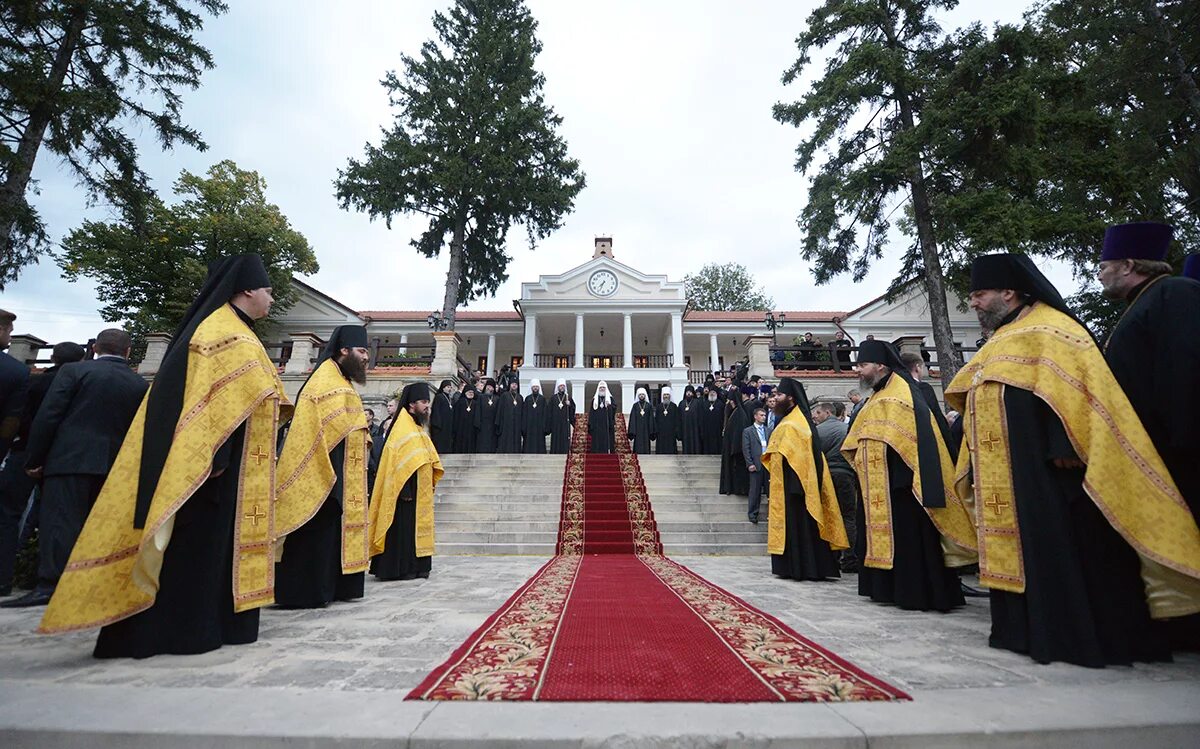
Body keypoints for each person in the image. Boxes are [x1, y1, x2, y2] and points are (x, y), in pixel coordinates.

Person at [945, 253, 1200, 667]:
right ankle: (1023, 630)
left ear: (1008, 292)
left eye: (979, 294)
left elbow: (1085, 395)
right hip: (1010, 473)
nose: (973, 303)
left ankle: (1069, 636)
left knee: (1061, 548)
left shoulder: (1054, 329)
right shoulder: (1004, 337)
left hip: (1051, 470)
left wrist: (1064, 442)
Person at [40, 254, 291, 658]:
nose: (270, 299)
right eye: (267, 290)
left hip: (231, 469)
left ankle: (212, 623)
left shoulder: (233, 331)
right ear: (246, 290)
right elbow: (215, 405)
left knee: (208, 548)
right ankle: (181, 630)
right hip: (211, 468)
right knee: (194, 547)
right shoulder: (223, 333)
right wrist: (217, 456)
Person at [1097, 222, 1200, 650]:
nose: (1098, 273)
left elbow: (1186, 367)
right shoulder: (1145, 301)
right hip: (1154, 448)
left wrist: (1184, 439)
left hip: (1180, 447)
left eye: (1104, 265)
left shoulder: (1176, 294)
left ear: (1129, 264)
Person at [1, 331, 145, 609]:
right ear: (128, 352)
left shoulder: (74, 372)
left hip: (70, 458)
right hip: (115, 464)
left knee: (59, 522)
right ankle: (89, 584)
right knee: (98, 526)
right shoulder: (138, 383)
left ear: (93, 348)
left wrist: (35, 458)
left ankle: (51, 586)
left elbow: (50, 415)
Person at [842, 340, 977, 612]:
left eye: (863, 365)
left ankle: (915, 592)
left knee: (912, 539)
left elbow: (915, 440)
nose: (859, 370)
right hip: (880, 485)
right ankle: (886, 589)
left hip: (904, 483)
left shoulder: (903, 393)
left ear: (880, 366)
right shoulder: (877, 396)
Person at [273, 325, 372, 609]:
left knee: (332, 528)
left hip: (342, 470)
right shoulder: (325, 381)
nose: (366, 358)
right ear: (344, 351)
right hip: (321, 469)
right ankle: (305, 590)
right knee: (316, 529)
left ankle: (334, 585)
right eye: (362, 351)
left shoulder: (341, 380)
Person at [0, 340, 85, 598]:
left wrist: (29, 455)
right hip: (68, 459)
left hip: (26, 454)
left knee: (9, 514)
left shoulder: (35, 382)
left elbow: (23, 418)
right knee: (60, 517)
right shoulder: (86, 382)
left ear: (54, 358)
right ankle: (50, 578)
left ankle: (4, 577)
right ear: (81, 359)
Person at [761, 377, 848, 581]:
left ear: (790, 398)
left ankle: (803, 567)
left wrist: (795, 487)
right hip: (790, 484)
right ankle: (794, 567)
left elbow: (800, 458)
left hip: (796, 486)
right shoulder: (793, 419)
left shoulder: (795, 424)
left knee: (801, 526)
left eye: (779, 395)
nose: (776, 398)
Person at [368, 382, 442, 581]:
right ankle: (400, 568)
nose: (427, 406)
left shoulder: (416, 426)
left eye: (428, 402)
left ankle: (418, 566)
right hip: (404, 491)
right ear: (411, 405)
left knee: (414, 529)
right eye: (423, 402)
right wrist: (405, 489)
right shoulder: (402, 425)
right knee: (402, 530)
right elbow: (398, 462)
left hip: (419, 489)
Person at [811, 402, 860, 573]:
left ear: (827, 413)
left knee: (828, 515)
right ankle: (850, 558)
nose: (815, 416)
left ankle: (831, 556)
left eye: (818, 413)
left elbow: (814, 455)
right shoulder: (846, 429)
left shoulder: (819, 431)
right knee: (848, 517)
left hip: (828, 476)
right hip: (846, 476)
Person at [719, 387, 754, 496]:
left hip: (736, 451)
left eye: (728, 401)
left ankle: (739, 489)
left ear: (733, 402)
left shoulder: (739, 414)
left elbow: (739, 433)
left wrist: (733, 448)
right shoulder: (734, 413)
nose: (727, 404)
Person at [742, 408, 769, 524]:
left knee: (770, 491)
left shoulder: (769, 431)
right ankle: (753, 513)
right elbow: (746, 448)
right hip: (756, 464)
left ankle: (771, 514)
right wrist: (750, 463)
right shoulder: (748, 431)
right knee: (755, 491)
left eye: (765, 415)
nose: (764, 417)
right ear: (755, 416)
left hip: (768, 464)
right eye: (761, 415)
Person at [495, 380, 524, 454]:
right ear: (510, 385)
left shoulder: (520, 397)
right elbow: (500, 410)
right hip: (506, 423)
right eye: (512, 384)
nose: (514, 386)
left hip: (517, 423)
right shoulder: (504, 395)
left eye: (515, 384)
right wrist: (498, 422)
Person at [521, 380, 549, 454]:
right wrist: (524, 427)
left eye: (537, 387)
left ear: (539, 388)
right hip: (529, 426)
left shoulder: (542, 399)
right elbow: (524, 413)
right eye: (534, 387)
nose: (535, 388)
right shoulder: (528, 399)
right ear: (531, 388)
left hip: (539, 427)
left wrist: (544, 426)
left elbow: (545, 413)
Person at [588, 381, 616, 454]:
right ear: (598, 389)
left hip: (607, 424)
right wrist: (591, 424)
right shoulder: (594, 400)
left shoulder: (610, 399)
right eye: (601, 387)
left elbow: (614, 409)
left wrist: (609, 406)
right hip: (597, 424)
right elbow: (591, 412)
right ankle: (596, 451)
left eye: (604, 387)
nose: (602, 389)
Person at [450, 384, 479, 454]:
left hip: (472, 428)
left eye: (472, 392)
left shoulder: (476, 403)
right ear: (465, 392)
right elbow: (456, 416)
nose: (471, 394)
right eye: (469, 392)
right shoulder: (460, 402)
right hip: (461, 428)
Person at [549, 379, 575, 454]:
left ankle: (565, 451)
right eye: (560, 386)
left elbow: (573, 409)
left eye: (563, 386)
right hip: (555, 423)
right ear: (558, 387)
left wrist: (570, 405)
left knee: (564, 438)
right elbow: (549, 411)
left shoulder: (568, 397)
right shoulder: (553, 398)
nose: (562, 387)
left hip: (564, 423)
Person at [627, 387, 655, 454]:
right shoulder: (635, 405)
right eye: (640, 395)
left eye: (643, 394)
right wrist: (632, 431)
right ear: (638, 396)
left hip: (646, 428)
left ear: (645, 395)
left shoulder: (649, 406)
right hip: (637, 428)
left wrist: (651, 429)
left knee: (646, 442)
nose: (641, 396)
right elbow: (632, 418)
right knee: (638, 443)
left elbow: (651, 418)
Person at [429, 380, 455, 454]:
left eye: (450, 387)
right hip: (441, 425)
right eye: (448, 387)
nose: (449, 389)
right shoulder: (439, 397)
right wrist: (437, 424)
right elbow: (436, 411)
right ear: (443, 388)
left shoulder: (450, 399)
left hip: (448, 425)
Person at [476, 380, 499, 453]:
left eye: (491, 387)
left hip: (493, 424)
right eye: (488, 386)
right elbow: (478, 410)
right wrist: (477, 423)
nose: (489, 388)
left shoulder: (497, 398)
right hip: (483, 424)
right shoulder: (481, 397)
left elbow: (498, 412)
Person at [655, 387, 680, 455]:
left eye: (667, 394)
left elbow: (677, 419)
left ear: (670, 396)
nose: (666, 396)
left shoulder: (674, 406)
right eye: (664, 395)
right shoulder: (659, 406)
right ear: (662, 396)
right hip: (661, 432)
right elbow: (656, 420)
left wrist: (676, 430)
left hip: (671, 432)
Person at [700, 387, 724, 455]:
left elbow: (723, 417)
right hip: (706, 429)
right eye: (711, 393)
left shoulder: (720, 404)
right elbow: (701, 418)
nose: (712, 394)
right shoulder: (704, 404)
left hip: (717, 429)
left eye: (714, 392)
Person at [679, 385, 702, 454]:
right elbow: (679, 417)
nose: (688, 393)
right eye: (687, 392)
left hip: (695, 428)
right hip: (685, 428)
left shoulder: (697, 402)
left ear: (693, 393)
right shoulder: (682, 403)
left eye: (690, 392)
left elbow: (700, 416)